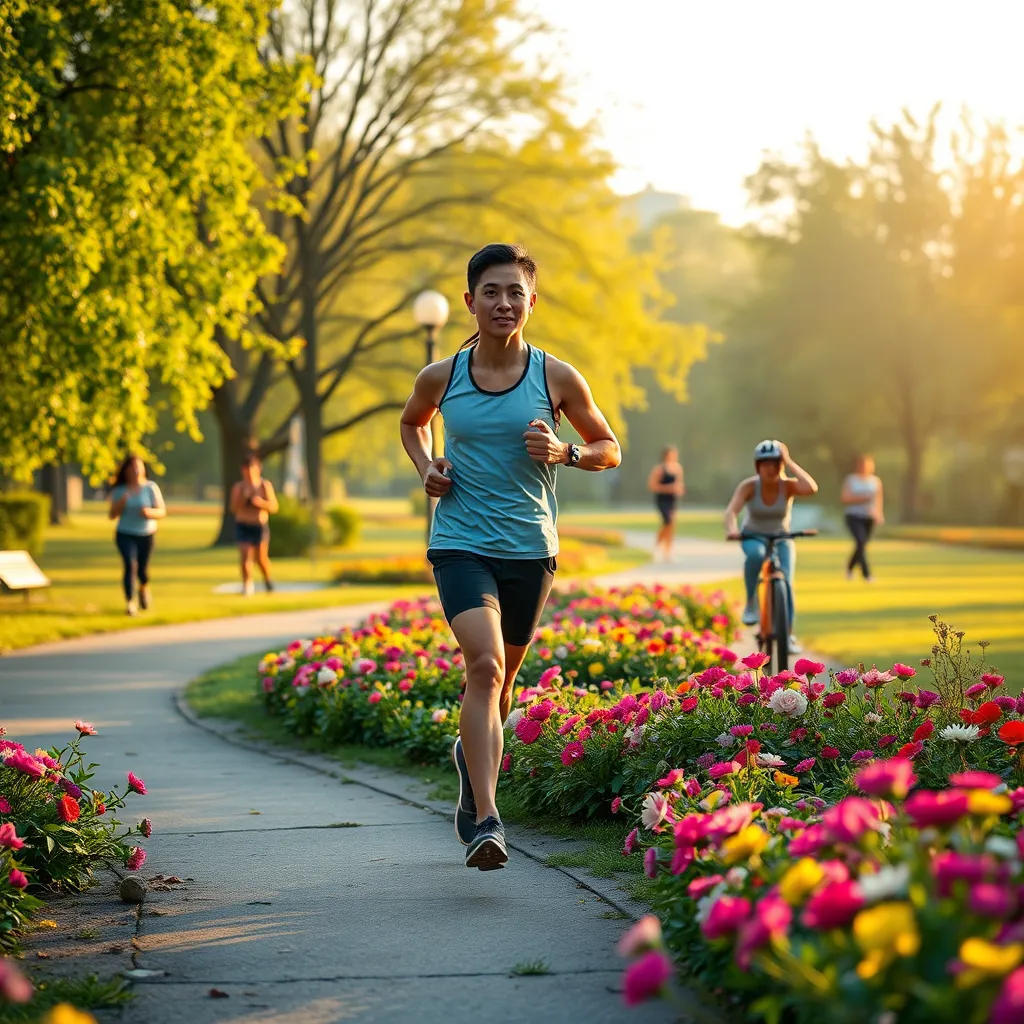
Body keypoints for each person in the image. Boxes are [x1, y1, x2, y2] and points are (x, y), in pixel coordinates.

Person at [400, 243, 621, 871]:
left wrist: (566, 452)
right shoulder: (441, 377)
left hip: (530, 548)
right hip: (460, 544)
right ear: (469, 301)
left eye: (514, 292)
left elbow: (609, 446)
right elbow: (413, 423)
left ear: (531, 301)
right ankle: (487, 822)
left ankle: (472, 771)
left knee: (501, 688)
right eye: (490, 292)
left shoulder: (557, 378)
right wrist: (427, 467)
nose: (503, 303)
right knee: (485, 666)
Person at [724, 439, 818, 653]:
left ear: (780, 465)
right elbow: (731, 511)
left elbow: (811, 487)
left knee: (786, 582)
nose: (769, 468)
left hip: (782, 537)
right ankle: (750, 603)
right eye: (764, 463)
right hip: (753, 536)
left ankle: (788, 635)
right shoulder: (749, 486)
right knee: (756, 556)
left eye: (775, 463)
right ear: (758, 466)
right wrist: (731, 529)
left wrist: (790, 461)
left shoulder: (788, 485)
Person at [108, 455, 166, 616]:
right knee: (129, 565)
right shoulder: (120, 490)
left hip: (146, 534)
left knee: (142, 570)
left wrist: (150, 512)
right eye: (132, 467)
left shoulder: (150, 487)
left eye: (138, 467)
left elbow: (162, 511)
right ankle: (130, 602)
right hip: (125, 533)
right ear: (126, 470)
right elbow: (112, 515)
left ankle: (143, 588)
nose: (135, 470)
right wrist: (122, 501)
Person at [229, 453, 279, 596]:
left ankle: (268, 580)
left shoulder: (264, 486)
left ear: (258, 469)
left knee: (261, 559)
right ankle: (247, 586)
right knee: (245, 556)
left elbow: (274, 507)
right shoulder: (238, 487)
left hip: (259, 526)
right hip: (243, 525)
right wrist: (243, 497)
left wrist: (260, 503)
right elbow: (233, 508)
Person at [841, 454, 884, 580]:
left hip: (869, 516)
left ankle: (849, 568)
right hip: (854, 516)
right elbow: (845, 498)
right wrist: (862, 498)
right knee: (860, 541)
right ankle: (867, 574)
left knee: (862, 545)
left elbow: (878, 499)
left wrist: (879, 513)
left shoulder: (875, 481)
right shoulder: (851, 479)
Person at [647, 445, 685, 562]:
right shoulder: (659, 469)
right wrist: (669, 488)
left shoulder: (677, 468)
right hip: (662, 499)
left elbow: (679, 484)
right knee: (666, 522)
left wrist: (679, 489)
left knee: (671, 525)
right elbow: (652, 486)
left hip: (673, 500)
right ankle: (657, 546)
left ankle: (668, 551)